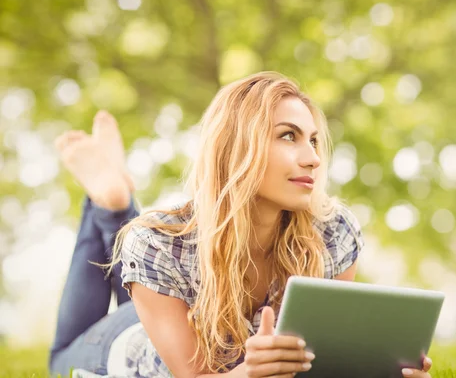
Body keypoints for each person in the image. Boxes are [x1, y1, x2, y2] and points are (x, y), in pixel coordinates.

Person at [48, 72, 434, 378]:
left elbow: (322, 361)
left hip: (184, 307)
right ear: (236, 148)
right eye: (289, 136)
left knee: (151, 259)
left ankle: (114, 200)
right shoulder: (156, 243)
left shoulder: (331, 234)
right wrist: (250, 374)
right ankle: (111, 203)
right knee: (59, 361)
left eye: (314, 141)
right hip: (133, 342)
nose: (313, 158)